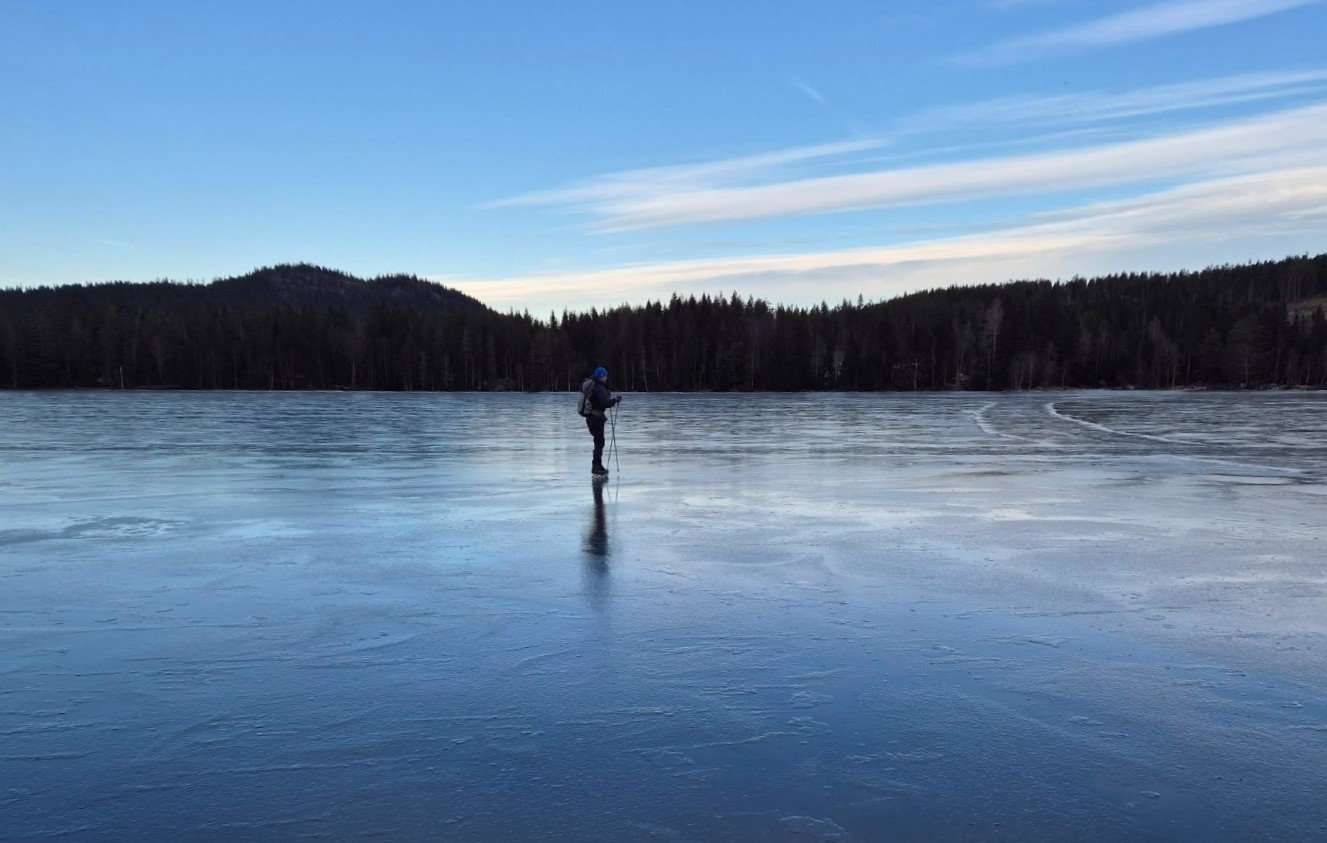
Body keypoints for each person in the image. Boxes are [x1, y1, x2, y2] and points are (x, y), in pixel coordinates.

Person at [580, 366, 620, 477]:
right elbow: (604, 404)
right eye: (605, 376)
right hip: (596, 418)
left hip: (591, 418)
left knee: (598, 442)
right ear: (601, 376)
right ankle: (596, 467)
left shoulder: (594, 386)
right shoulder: (599, 388)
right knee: (599, 443)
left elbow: (599, 401)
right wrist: (615, 400)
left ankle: (598, 465)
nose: (606, 378)